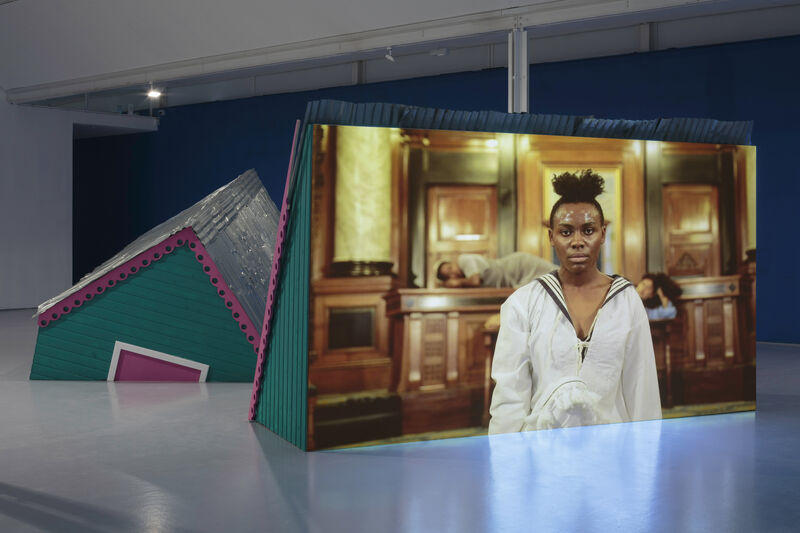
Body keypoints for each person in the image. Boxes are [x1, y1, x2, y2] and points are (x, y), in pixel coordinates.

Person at [489, 169, 661, 434]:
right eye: (566, 232)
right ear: (551, 237)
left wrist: (647, 459)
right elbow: (509, 397)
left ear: (603, 234)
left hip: (611, 450)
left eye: (588, 230)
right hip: (543, 450)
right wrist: (506, 464)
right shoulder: (523, 303)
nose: (578, 242)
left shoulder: (626, 300)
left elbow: (642, 389)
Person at [436, 252, 556, 289]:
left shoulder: (463, 259)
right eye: (449, 275)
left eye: (450, 268)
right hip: (515, 280)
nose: (454, 273)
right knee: (553, 283)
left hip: (519, 266)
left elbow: (476, 280)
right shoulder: (465, 280)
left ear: (452, 262)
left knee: (557, 273)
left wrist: (458, 283)